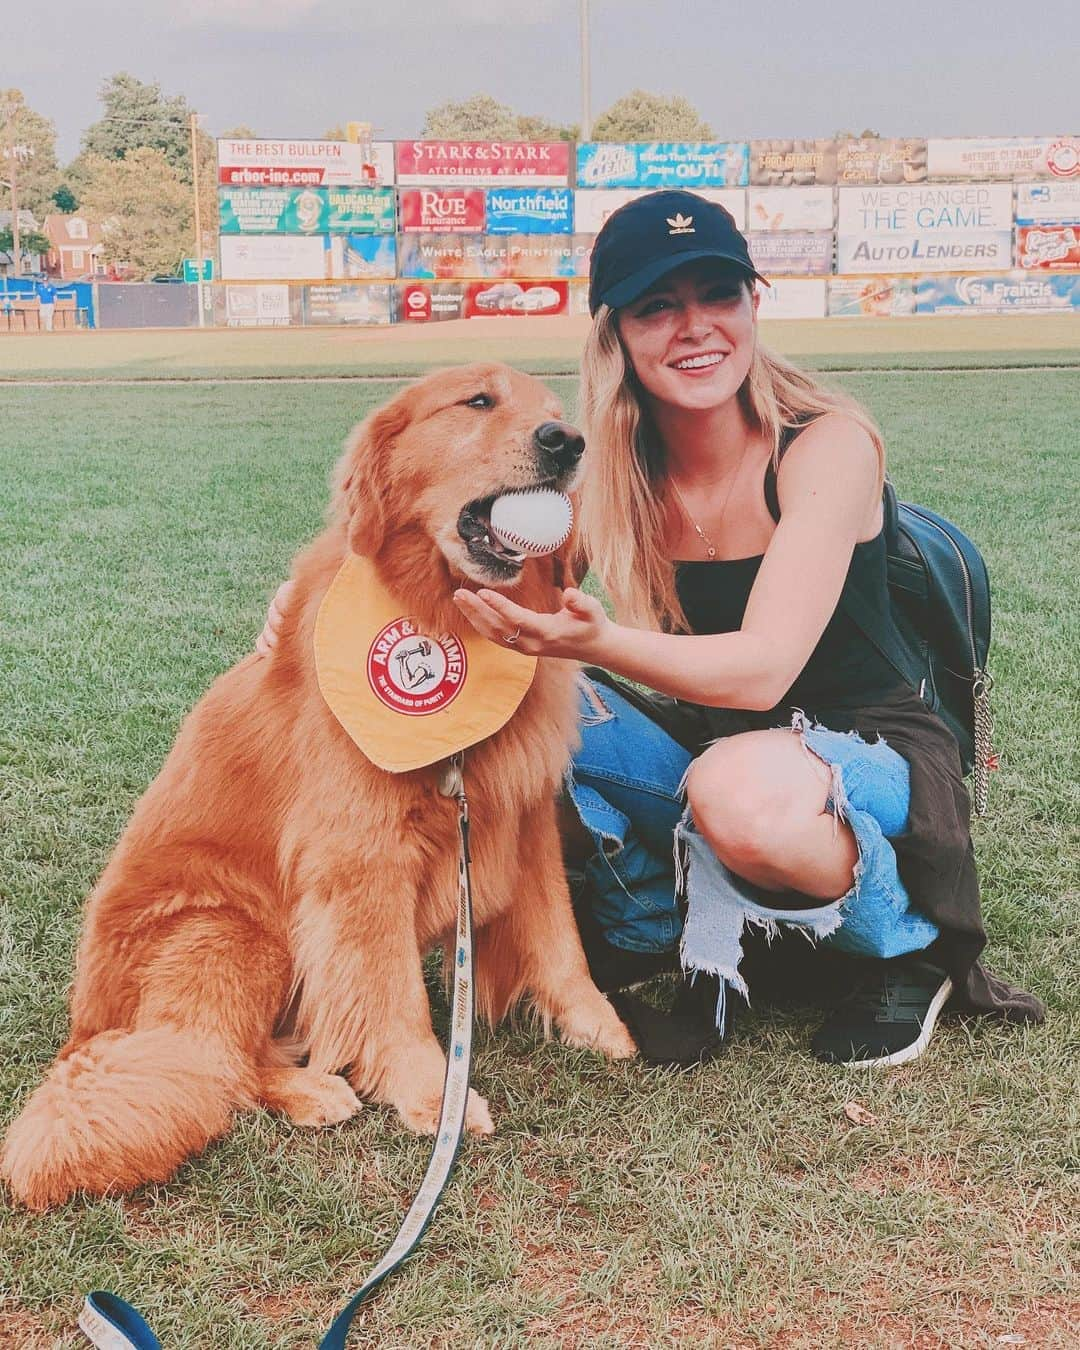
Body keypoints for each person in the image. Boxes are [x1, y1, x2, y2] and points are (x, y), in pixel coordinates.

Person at [258, 190, 1043, 1067]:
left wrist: (590, 644)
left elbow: (762, 673)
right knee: (506, 707)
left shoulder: (828, 444)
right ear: (617, 335)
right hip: (718, 745)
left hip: (874, 746)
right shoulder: (616, 469)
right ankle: (651, 924)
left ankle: (904, 946)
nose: (694, 327)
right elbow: (463, 577)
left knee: (734, 788)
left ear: (754, 306)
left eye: (718, 295)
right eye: (657, 307)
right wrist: (325, 607)